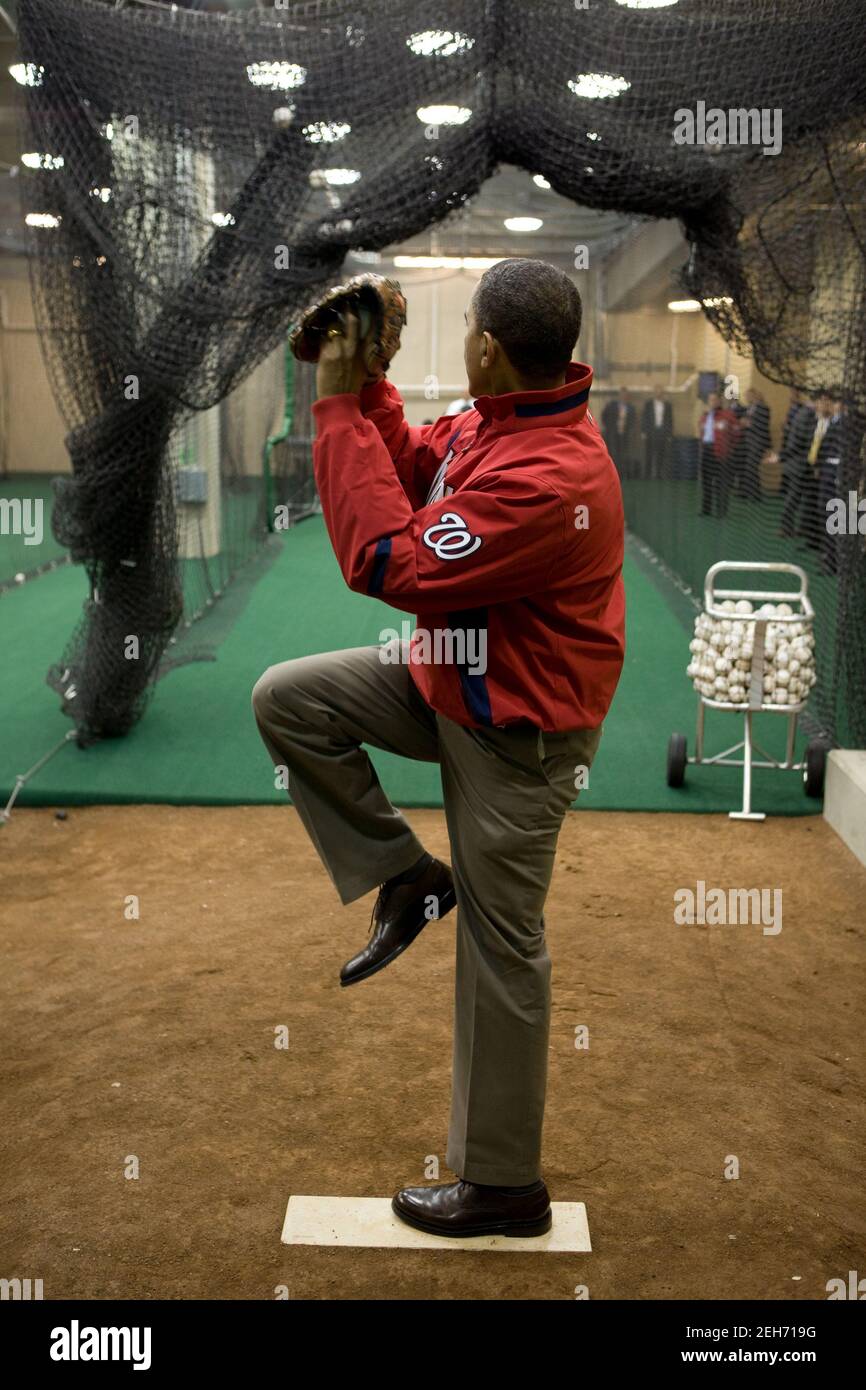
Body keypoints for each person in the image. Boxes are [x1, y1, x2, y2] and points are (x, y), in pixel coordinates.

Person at [251, 258, 625, 1239]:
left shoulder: (553, 475)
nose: (461, 341)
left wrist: (333, 407)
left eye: (467, 327)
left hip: (518, 738)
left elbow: (390, 560)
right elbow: (419, 464)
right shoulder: (497, 421)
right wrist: (370, 391)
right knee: (290, 702)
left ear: (490, 347)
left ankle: (503, 1185)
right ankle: (403, 873)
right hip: (453, 681)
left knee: (500, 950)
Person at [780, 389, 834, 544]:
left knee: (811, 501)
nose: (824, 404)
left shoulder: (825, 421)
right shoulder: (808, 418)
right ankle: (787, 527)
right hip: (801, 465)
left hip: (815, 467)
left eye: (827, 401)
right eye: (821, 401)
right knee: (794, 497)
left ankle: (807, 531)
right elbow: (800, 442)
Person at [697, 390, 739, 516]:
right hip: (707, 451)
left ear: (720, 401)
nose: (713, 402)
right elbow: (701, 431)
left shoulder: (728, 415)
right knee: (707, 482)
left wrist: (729, 448)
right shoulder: (705, 416)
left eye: (715, 399)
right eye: (710, 400)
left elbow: (737, 433)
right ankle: (706, 509)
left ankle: (721, 510)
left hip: (721, 454)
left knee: (721, 483)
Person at [734, 387, 771, 501]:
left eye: (748, 395)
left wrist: (749, 423)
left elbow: (762, 424)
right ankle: (746, 492)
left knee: (751, 467)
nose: (747, 398)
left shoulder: (763, 408)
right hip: (747, 442)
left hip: (757, 442)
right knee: (747, 468)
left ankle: (756, 495)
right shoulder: (749, 408)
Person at [601, 386, 637, 477]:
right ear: (619, 395)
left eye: (625, 394)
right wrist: (608, 428)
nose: (624, 396)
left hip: (625, 435)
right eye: (622, 394)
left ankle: (622, 473)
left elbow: (633, 421)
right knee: (613, 453)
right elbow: (604, 416)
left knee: (623, 454)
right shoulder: (612, 405)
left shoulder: (631, 408)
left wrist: (630, 431)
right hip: (614, 434)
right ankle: (613, 472)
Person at [640, 385, 673, 479]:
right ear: (654, 393)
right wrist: (643, 432)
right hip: (650, 432)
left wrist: (669, 434)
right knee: (649, 453)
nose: (659, 393)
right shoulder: (648, 404)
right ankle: (647, 475)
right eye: (657, 391)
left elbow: (670, 420)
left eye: (660, 391)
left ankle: (659, 475)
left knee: (661, 454)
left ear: (662, 393)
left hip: (662, 432)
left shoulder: (667, 405)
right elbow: (644, 418)